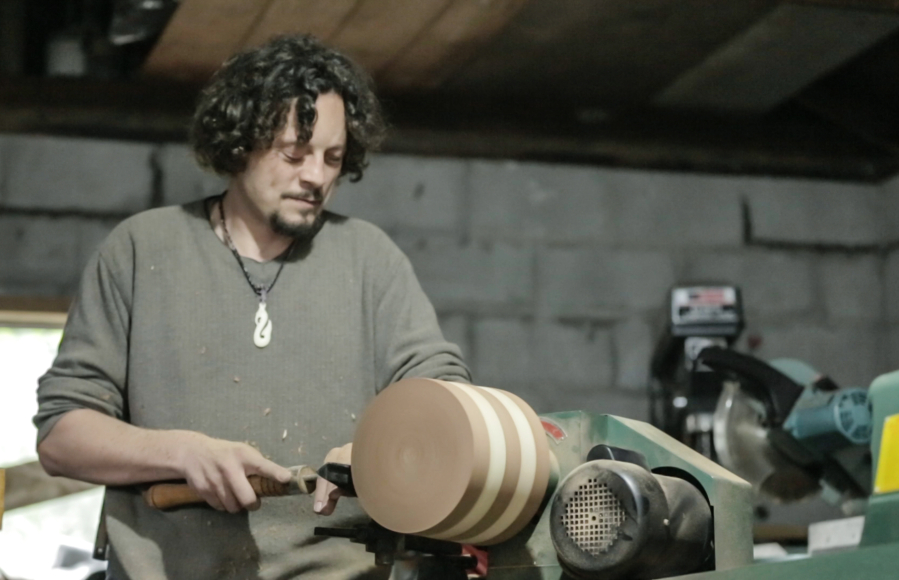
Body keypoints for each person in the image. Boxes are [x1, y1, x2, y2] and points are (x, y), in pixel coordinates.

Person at [34, 34, 471, 580]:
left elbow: (445, 392)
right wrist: (181, 452)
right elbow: (62, 436)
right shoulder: (142, 249)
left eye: (333, 158)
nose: (316, 176)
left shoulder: (369, 259)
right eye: (294, 153)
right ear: (240, 143)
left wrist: (382, 448)